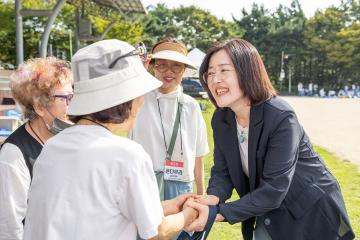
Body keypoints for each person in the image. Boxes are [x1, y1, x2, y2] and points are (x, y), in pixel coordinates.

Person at [22, 39, 203, 240]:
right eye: (139, 94)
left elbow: (101, 209)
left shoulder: (53, 146)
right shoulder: (127, 155)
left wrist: (170, 205)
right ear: (124, 99)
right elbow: (156, 231)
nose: (142, 102)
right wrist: (187, 215)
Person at [187, 39, 355, 240]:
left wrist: (216, 213)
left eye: (224, 70)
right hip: (267, 210)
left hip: (310, 211)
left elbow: (274, 189)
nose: (215, 80)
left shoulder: (281, 117)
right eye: (210, 73)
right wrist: (212, 199)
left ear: (247, 71)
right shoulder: (222, 119)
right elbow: (223, 172)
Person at [0, 57, 73, 240]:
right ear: (40, 106)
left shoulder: (67, 139)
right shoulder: (13, 155)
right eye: (66, 98)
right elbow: (10, 227)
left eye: (73, 95)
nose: (73, 103)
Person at [131, 38, 209, 201]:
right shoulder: (138, 99)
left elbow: (198, 154)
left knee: (179, 227)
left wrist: (201, 193)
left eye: (176, 65)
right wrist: (139, 76)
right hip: (144, 182)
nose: (169, 71)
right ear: (152, 66)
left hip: (181, 185)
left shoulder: (191, 105)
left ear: (184, 69)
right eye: (162, 64)